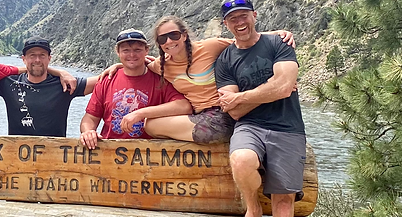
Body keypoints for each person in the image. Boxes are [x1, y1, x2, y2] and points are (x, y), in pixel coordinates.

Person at [214, 0, 305, 217]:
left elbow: (285, 87)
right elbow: (235, 110)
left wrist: (245, 95)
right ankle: (253, 208)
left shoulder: (279, 44)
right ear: (225, 24)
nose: (239, 22)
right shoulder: (225, 60)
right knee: (240, 160)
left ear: (254, 14)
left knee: (284, 205)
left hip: (288, 130)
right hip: (249, 127)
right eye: (232, 18)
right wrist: (272, 88)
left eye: (243, 15)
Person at [119, 16, 295, 144]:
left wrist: (276, 36)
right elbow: (138, 64)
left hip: (223, 115)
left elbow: (243, 42)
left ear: (184, 35)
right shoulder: (161, 65)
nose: (169, 41)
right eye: (163, 38)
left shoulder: (210, 47)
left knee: (150, 124)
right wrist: (117, 67)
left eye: (173, 35)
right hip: (198, 115)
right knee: (150, 125)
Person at [79, 29, 191, 148]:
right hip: (109, 153)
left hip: (149, 155)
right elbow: (90, 118)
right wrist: (88, 132)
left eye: (137, 50)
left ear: (146, 50)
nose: (132, 55)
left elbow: (184, 106)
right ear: (118, 52)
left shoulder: (161, 79)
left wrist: (140, 114)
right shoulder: (106, 80)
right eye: (126, 50)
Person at [0, 36, 98, 137]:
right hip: (17, 153)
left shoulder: (65, 84)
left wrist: (114, 67)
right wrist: (59, 71)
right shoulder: (9, 83)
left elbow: (100, 82)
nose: (37, 60)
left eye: (42, 55)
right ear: (24, 59)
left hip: (54, 153)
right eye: (32, 55)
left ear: (49, 58)